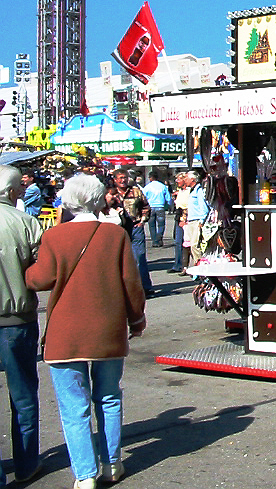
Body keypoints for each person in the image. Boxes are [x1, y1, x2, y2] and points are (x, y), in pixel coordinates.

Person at [25, 172, 146, 489]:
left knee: (74, 408)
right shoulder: (115, 235)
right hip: (108, 329)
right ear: (97, 198)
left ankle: (85, 474)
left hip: (66, 333)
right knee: (108, 398)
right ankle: (112, 464)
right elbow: (131, 284)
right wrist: (137, 319)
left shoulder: (54, 237)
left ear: (67, 200)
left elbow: (39, 280)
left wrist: (26, 269)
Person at [0, 166, 43, 483]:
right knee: (23, 396)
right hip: (18, 319)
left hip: (16, 319)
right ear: (15, 191)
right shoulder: (27, 223)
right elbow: (41, 275)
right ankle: (27, 464)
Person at [112, 168, 154, 298]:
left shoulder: (135, 191)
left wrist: (142, 221)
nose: (123, 180)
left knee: (139, 257)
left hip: (135, 227)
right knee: (118, 260)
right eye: (120, 178)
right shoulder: (110, 193)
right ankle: (122, 289)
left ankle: (145, 288)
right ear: (115, 180)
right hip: (118, 229)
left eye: (125, 177)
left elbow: (146, 207)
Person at [183, 169, 210, 265]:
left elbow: (204, 207)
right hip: (191, 221)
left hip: (196, 221)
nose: (184, 179)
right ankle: (197, 263)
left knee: (196, 245)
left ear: (193, 179)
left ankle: (200, 265)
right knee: (192, 245)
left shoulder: (199, 190)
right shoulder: (192, 190)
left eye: (186, 177)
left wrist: (201, 221)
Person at [142, 172, 172, 248]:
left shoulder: (147, 187)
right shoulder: (163, 186)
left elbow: (143, 197)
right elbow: (168, 198)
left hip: (150, 207)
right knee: (161, 224)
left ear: (150, 178)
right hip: (160, 207)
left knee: (151, 225)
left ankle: (155, 241)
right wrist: (169, 204)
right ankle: (159, 238)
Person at [170, 172, 189, 274]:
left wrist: (184, 219)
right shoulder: (180, 191)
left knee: (185, 243)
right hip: (178, 217)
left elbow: (188, 206)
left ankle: (184, 265)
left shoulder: (189, 191)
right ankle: (177, 264)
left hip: (185, 218)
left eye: (178, 179)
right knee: (177, 242)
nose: (177, 181)